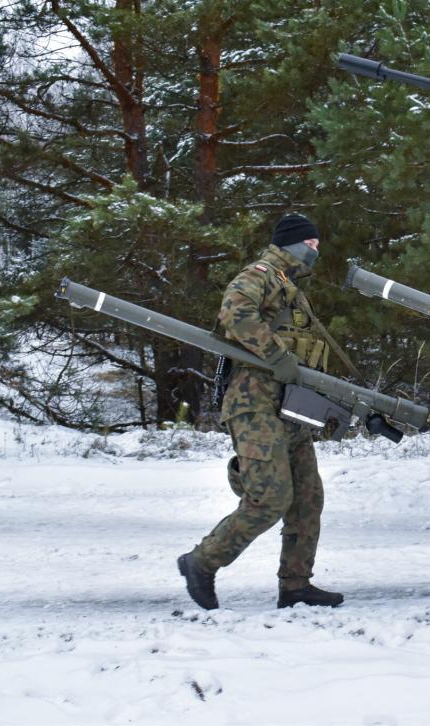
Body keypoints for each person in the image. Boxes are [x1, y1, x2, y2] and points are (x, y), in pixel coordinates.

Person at [177, 213, 344, 610]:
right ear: (292, 243)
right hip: (255, 404)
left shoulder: (290, 287)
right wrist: (275, 354)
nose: (315, 251)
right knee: (270, 498)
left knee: (307, 499)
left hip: (291, 408)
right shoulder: (262, 274)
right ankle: (201, 562)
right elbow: (235, 313)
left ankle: (296, 585)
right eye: (311, 244)